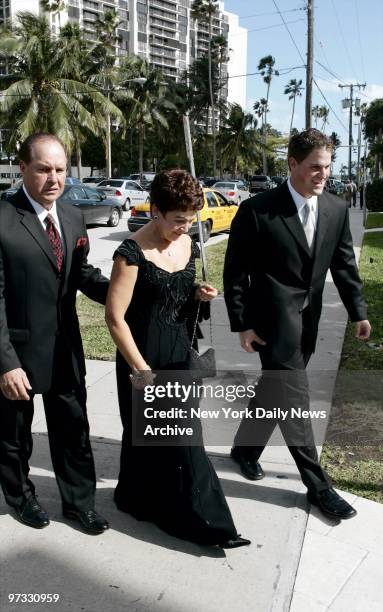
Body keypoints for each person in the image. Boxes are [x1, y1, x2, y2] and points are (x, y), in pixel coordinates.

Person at [223, 129, 371, 521]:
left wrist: (358, 311)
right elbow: (235, 272)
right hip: (271, 323)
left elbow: (343, 264)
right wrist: (241, 323)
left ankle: (245, 449)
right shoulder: (258, 210)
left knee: (275, 389)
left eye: (327, 167)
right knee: (293, 399)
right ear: (292, 164)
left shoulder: (336, 209)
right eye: (315, 167)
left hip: (309, 320)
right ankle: (318, 486)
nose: (323, 174)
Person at [105, 169, 249, 548]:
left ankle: (203, 518)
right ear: (155, 211)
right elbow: (114, 318)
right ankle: (151, 504)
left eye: (190, 220)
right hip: (143, 358)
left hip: (181, 353)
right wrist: (140, 368)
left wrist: (199, 293)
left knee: (185, 437)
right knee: (147, 437)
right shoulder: (130, 253)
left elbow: (179, 296)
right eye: (178, 221)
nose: (185, 228)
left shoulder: (190, 246)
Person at [0, 134, 109, 534]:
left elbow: (81, 274)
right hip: (18, 351)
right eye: (44, 169)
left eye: (60, 169)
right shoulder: (3, 217)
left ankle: (79, 503)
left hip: (65, 348)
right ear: (23, 168)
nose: (54, 178)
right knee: (14, 438)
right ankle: (21, 497)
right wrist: (5, 363)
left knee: (73, 431)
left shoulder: (72, 216)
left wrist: (131, 292)